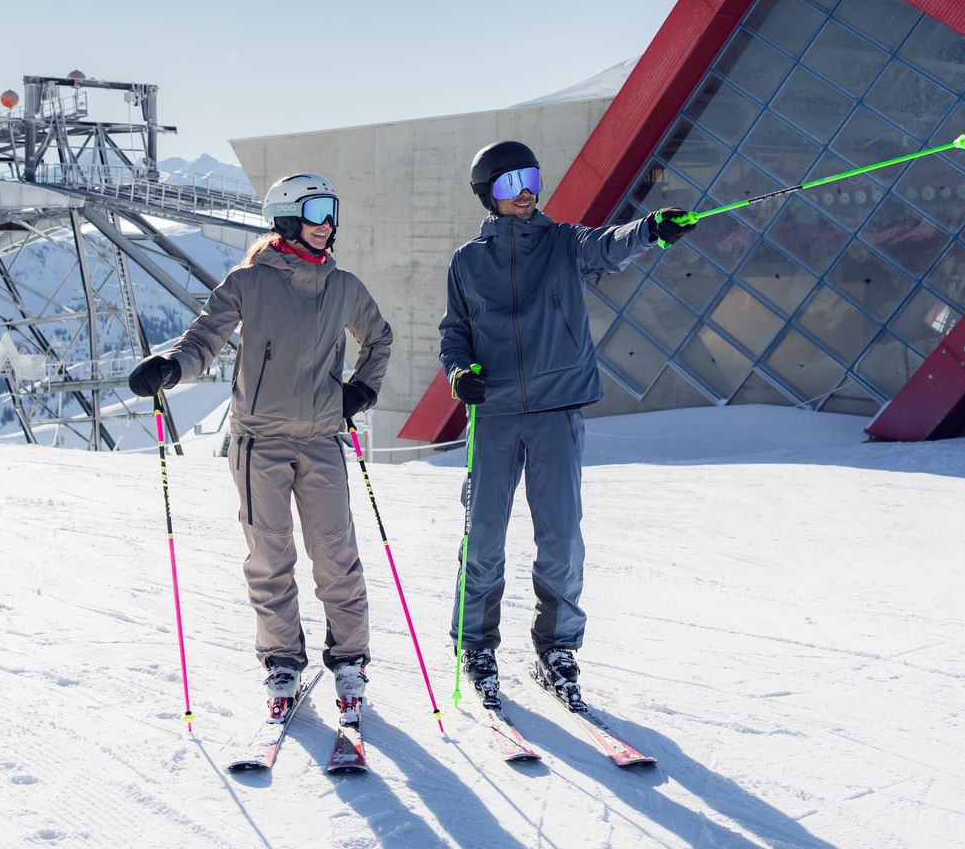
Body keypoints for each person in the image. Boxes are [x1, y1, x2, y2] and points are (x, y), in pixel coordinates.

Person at [126, 173, 392, 725]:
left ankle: (349, 659)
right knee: (270, 557)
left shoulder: (342, 286)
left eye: (332, 210)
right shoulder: (247, 282)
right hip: (259, 443)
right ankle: (282, 661)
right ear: (288, 217)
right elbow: (206, 338)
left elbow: (378, 336)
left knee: (336, 555)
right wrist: (172, 367)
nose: (327, 223)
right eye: (318, 211)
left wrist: (361, 388)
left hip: (321, 439)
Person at [441, 140, 691, 711]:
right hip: (497, 414)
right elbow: (454, 332)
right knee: (482, 538)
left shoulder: (562, 243)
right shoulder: (467, 261)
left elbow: (608, 246)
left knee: (561, 541)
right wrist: (460, 372)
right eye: (509, 183)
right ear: (488, 195)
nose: (525, 190)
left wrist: (650, 229)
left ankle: (556, 648)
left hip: (557, 411)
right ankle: (476, 644)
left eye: (530, 176)